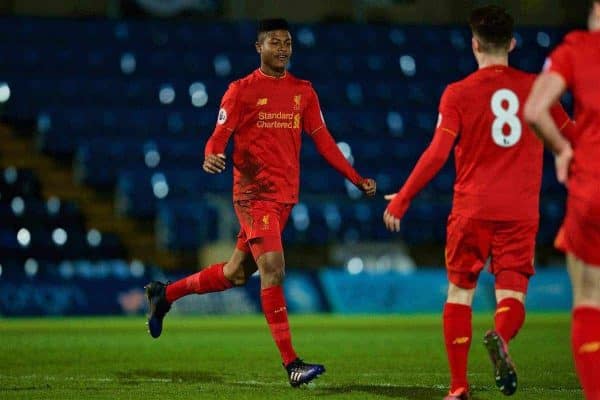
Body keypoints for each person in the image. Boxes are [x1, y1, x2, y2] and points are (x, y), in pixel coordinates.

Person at [144, 18, 376, 388]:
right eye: (274, 42)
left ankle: (164, 294)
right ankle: (292, 365)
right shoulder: (241, 91)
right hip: (253, 197)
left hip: (284, 199)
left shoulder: (304, 91)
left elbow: (325, 141)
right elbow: (218, 136)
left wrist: (355, 177)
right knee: (274, 268)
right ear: (259, 47)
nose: (282, 48)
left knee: (236, 273)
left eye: (287, 42)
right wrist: (211, 155)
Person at [382, 6, 574, 400]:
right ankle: (500, 336)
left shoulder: (458, 93)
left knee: (459, 293)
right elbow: (574, 137)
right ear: (513, 43)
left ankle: (458, 387)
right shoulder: (537, 87)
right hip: (520, 212)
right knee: (513, 296)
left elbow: (437, 153)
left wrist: (402, 199)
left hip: (471, 209)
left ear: (474, 43)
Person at [524, 2, 600, 398]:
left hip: (593, 190)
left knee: (589, 300)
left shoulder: (577, 49)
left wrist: (562, 150)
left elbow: (535, 109)